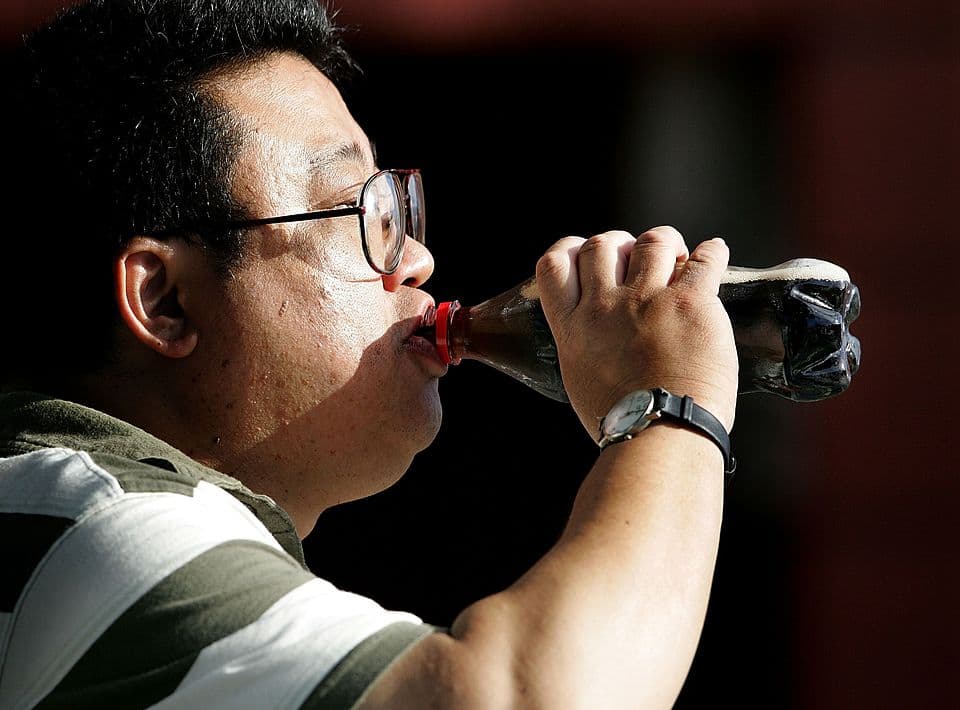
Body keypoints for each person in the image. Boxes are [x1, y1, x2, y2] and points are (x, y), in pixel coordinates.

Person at [0, 0, 738, 707]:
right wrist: (669, 405)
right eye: (359, 210)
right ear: (165, 300)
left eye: (394, 207)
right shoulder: (101, 527)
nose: (416, 259)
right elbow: (526, 700)